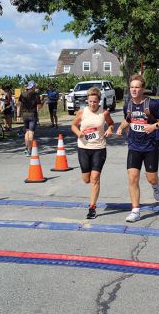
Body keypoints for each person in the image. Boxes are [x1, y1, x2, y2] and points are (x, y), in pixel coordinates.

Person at [116, 74, 159, 223]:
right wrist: (121, 128)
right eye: (132, 87)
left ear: (143, 88)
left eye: (137, 87)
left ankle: (155, 185)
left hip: (150, 146)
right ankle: (135, 210)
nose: (134, 90)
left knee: (151, 178)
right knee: (132, 178)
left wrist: (154, 126)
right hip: (134, 146)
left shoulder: (151, 104)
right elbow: (128, 120)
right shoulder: (128, 105)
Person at [71, 87, 114, 219]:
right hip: (84, 148)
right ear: (87, 101)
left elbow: (111, 124)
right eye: (90, 101)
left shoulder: (104, 113)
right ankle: (92, 200)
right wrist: (79, 133)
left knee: (95, 178)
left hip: (99, 148)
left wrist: (110, 130)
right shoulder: (82, 112)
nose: (92, 104)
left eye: (95, 102)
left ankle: (92, 207)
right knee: (86, 179)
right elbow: (73, 126)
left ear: (99, 101)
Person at [18, 80, 43, 156]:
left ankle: (26, 148)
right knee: (31, 132)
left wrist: (18, 115)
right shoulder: (36, 95)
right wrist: (43, 101)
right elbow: (39, 107)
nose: (36, 87)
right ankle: (29, 150)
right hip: (32, 114)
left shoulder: (23, 94)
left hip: (24, 115)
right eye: (35, 86)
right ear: (33, 86)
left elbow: (18, 105)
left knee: (27, 131)